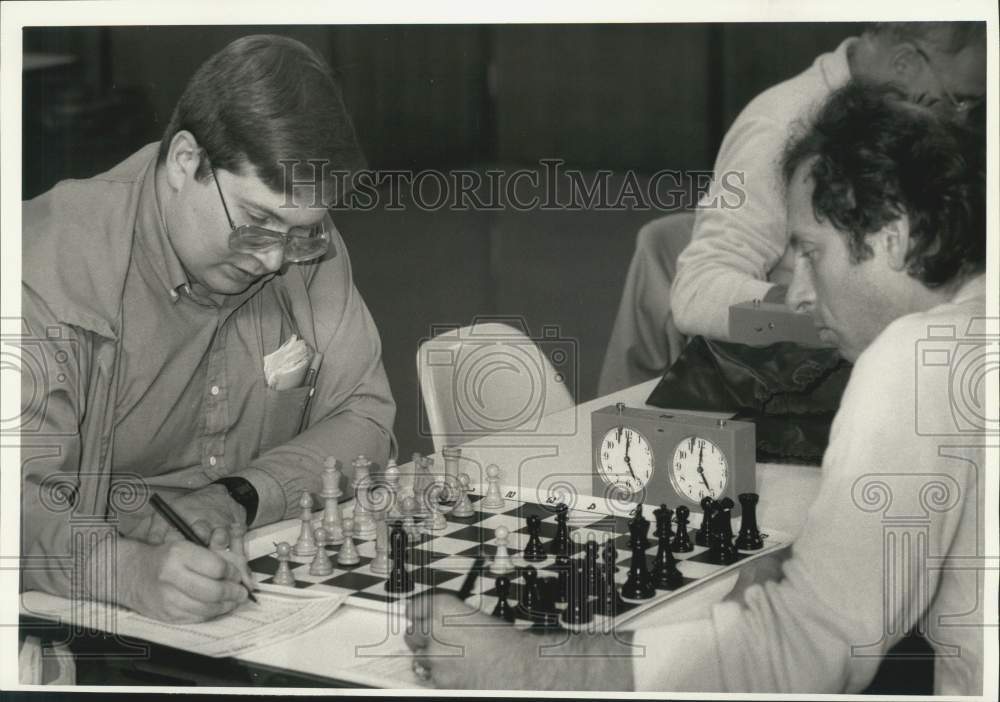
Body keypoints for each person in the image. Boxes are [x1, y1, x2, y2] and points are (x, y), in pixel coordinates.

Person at [405, 81, 987, 694]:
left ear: (891, 237)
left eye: (811, 253)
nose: (795, 294)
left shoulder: (916, 360)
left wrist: (534, 665)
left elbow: (805, 651)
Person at [20, 35, 396, 623]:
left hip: (245, 584)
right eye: (257, 222)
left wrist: (239, 496)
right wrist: (125, 571)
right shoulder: (43, 265)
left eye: (302, 231)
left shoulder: (302, 248)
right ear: (185, 161)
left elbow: (366, 416)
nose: (274, 261)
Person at [597, 22, 986, 395]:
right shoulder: (783, 127)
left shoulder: (894, 116)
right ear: (904, 63)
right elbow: (698, 293)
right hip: (805, 365)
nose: (963, 117)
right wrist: (822, 307)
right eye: (961, 99)